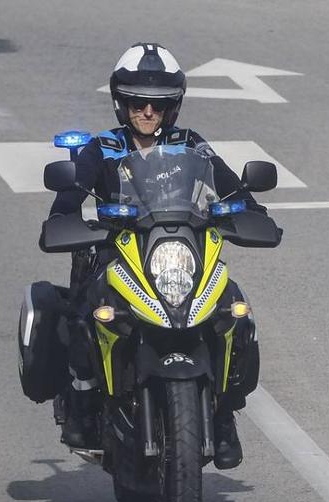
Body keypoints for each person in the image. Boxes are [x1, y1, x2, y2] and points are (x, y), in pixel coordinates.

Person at [48, 43, 267, 469]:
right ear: (121, 102)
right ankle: (83, 402)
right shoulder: (102, 147)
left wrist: (250, 207)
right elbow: (71, 193)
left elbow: (227, 184)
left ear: (174, 107)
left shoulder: (191, 145)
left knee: (235, 312)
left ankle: (224, 415)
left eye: (158, 105)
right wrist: (64, 216)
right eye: (137, 103)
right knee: (84, 313)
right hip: (117, 252)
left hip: (182, 251)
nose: (148, 112)